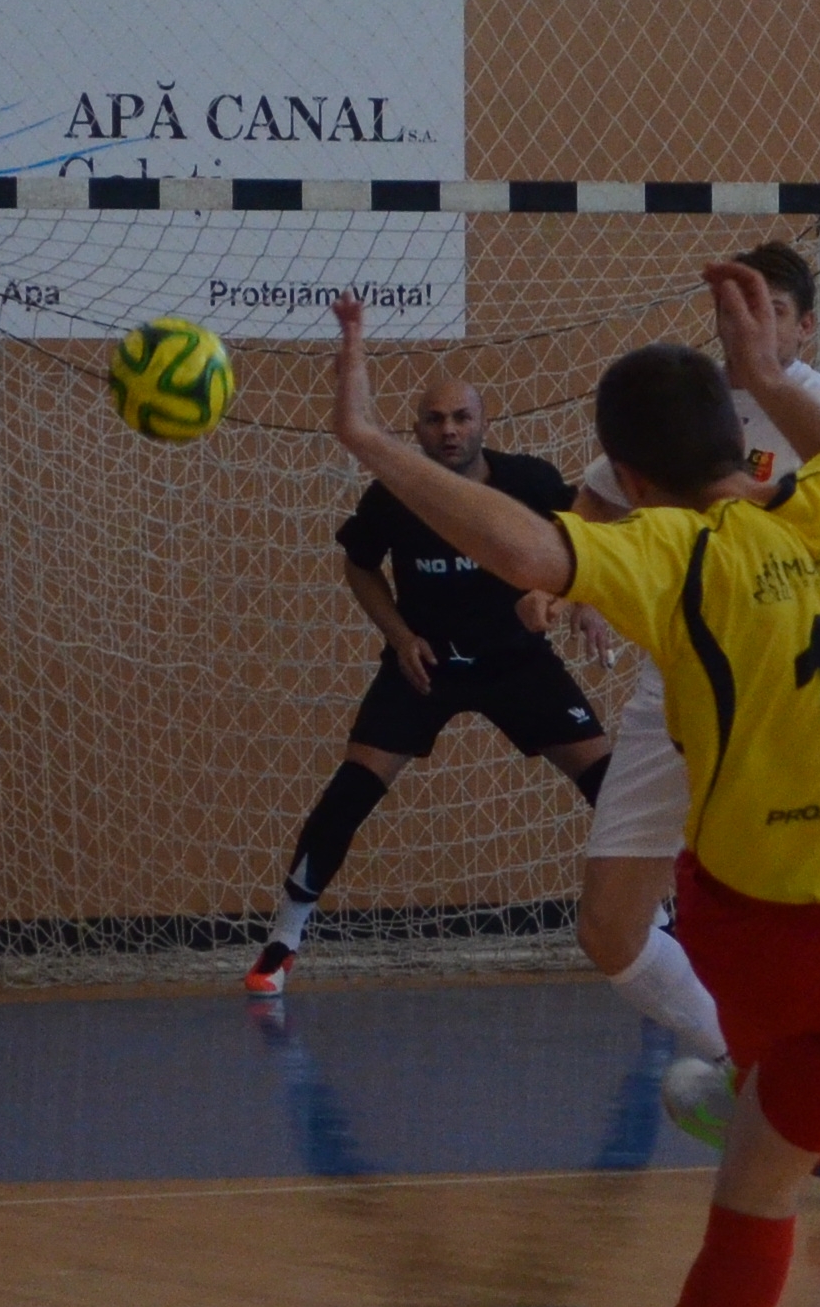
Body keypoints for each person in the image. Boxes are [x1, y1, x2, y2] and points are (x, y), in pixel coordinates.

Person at [323, 265, 820, 1307]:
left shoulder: (679, 554)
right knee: (770, 1161)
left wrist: (369, 441)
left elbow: (516, 542)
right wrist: (773, 372)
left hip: (775, 944)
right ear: (744, 435)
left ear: (623, 473)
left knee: (747, 1173)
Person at [571, 242, 820, 1190]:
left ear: (803, 324)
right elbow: (595, 494)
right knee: (609, 929)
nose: (750, 325)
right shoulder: (695, 405)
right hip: (678, 678)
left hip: (778, 683)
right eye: (737, 307)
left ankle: (814, 1105)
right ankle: (752, 1069)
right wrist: (576, 583)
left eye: (771, 309)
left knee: (769, 913)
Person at [247, 370, 609, 996]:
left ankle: (654, 915)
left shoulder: (528, 481)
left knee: (613, 784)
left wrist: (584, 602)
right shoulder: (394, 494)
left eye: (461, 418)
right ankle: (285, 935)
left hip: (516, 659)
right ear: (415, 430)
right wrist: (397, 634)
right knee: (350, 791)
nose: (449, 430)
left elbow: (585, 544)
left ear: (483, 424)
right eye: (435, 419)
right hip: (427, 665)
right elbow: (359, 568)